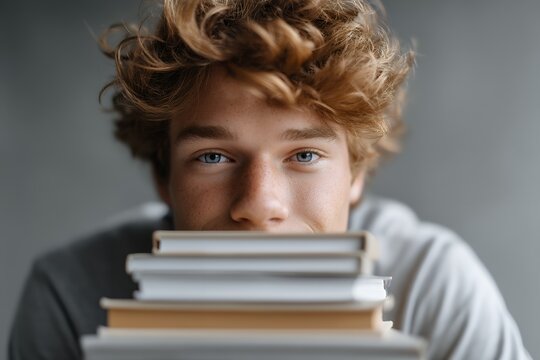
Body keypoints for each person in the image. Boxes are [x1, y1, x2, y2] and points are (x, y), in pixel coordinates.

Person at [9, 0, 530, 359]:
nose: (259, 205)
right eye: (213, 157)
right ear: (163, 177)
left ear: (357, 173)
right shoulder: (69, 296)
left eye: (304, 153)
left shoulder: (431, 287)